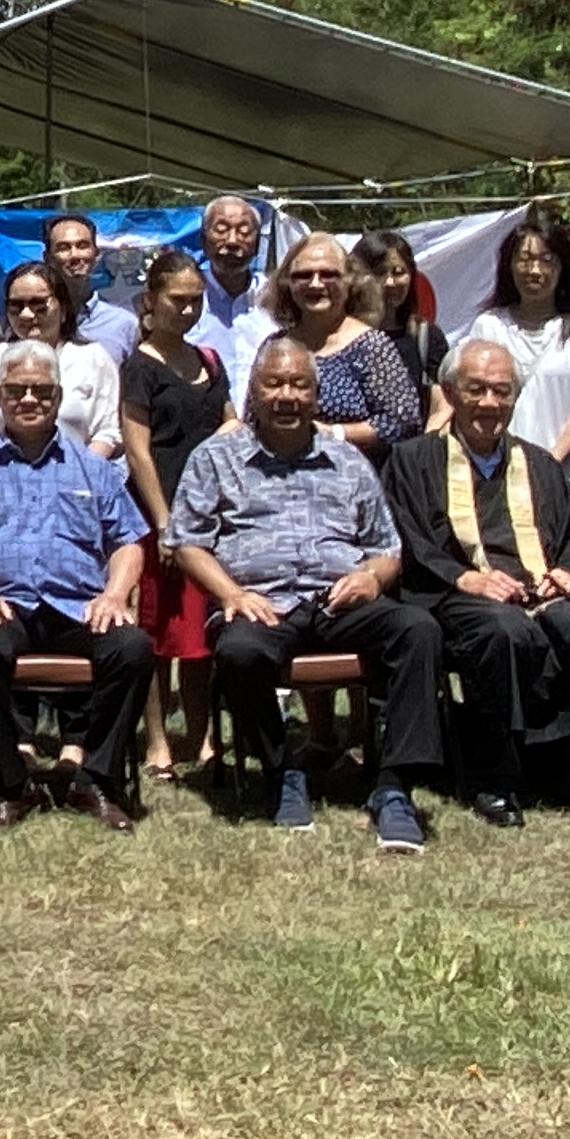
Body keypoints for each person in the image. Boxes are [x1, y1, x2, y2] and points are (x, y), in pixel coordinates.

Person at [168, 336, 447, 851]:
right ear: (254, 390)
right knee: (239, 651)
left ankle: (394, 787)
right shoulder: (217, 457)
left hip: (338, 600)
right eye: (274, 383)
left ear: (316, 395)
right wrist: (230, 594)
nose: (287, 395)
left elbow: (386, 547)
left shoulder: (347, 460)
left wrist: (371, 578)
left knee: (418, 630)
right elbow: (187, 542)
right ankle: (281, 772)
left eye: (299, 384)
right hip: (260, 602)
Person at [382, 338, 570, 827]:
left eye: (501, 392)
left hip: (538, 590)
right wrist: (466, 578)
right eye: (476, 389)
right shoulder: (413, 461)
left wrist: (569, 571)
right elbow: (408, 539)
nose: (489, 403)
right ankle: (495, 777)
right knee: (504, 631)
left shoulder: (539, 462)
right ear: (451, 393)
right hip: (459, 596)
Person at [0, 345, 154, 831]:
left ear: (58, 396)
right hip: (5, 607)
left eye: (41, 391)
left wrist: (114, 595)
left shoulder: (96, 468)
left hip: (79, 607)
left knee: (132, 649)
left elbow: (129, 541)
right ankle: (11, 782)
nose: (29, 399)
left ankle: (96, 779)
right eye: (17, 391)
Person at [116, 246, 233, 784]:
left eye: (195, 301)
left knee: (202, 638)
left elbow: (227, 423)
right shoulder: (138, 366)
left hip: (212, 515)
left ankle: (205, 738)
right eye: (176, 301)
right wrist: (164, 521)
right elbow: (137, 450)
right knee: (159, 636)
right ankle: (159, 742)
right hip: (158, 514)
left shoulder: (209, 361)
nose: (186, 311)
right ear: (150, 300)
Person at [462, 206, 570, 501]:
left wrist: (549, 462)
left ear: (563, 267)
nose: (535, 271)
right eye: (525, 260)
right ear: (509, 266)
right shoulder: (489, 326)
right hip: (503, 479)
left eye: (547, 261)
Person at [265, 232, 423, 457]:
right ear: (287, 283)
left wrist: (333, 433)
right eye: (303, 275)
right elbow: (254, 420)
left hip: (355, 483)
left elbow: (402, 423)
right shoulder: (274, 347)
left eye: (328, 274)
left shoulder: (372, 346)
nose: (315, 283)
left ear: (349, 281)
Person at [0, 263, 121, 459]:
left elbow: (108, 432)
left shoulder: (92, 358)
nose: (26, 314)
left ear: (63, 309)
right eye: (16, 305)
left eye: (39, 305)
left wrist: (76, 475)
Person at [348, 230, 452, 422]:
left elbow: (443, 404)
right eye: (378, 273)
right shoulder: (341, 336)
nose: (389, 283)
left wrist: (424, 444)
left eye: (398, 272)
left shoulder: (426, 337)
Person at [187, 192, 274, 385]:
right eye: (221, 229)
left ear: (258, 242)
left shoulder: (274, 298)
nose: (232, 241)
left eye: (244, 231)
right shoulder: (187, 298)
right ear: (203, 240)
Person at [43, 211, 141, 362]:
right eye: (63, 248)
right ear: (47, 258)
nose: (74, 255)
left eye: (83, 246)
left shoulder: (125, 325)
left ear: (96, 254)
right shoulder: (33, 321)